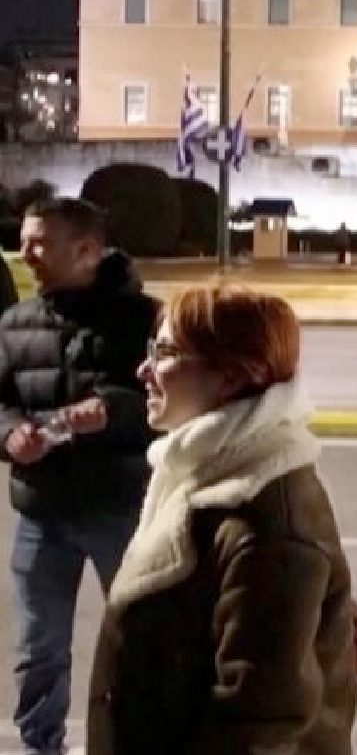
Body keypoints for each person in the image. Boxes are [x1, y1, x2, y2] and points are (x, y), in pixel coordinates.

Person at [88, 285, 357, 754]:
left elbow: (260, 721)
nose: (143, 370)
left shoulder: (265, 523)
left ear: (232, 376)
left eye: (166, 353)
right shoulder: (202, 473)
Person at [0, 198, 159, 755]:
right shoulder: (14, 324)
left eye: (39, 242)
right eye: (23, 240)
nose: (26, 253)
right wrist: (10, 436)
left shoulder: (145, 320)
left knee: (138, 640)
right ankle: (41, 745)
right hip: (42, 512)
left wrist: (111, 411)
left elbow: (173, 407)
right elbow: (1, 403)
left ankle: (136, 741)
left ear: (87, 250)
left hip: (123, 509)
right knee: (38, 648)